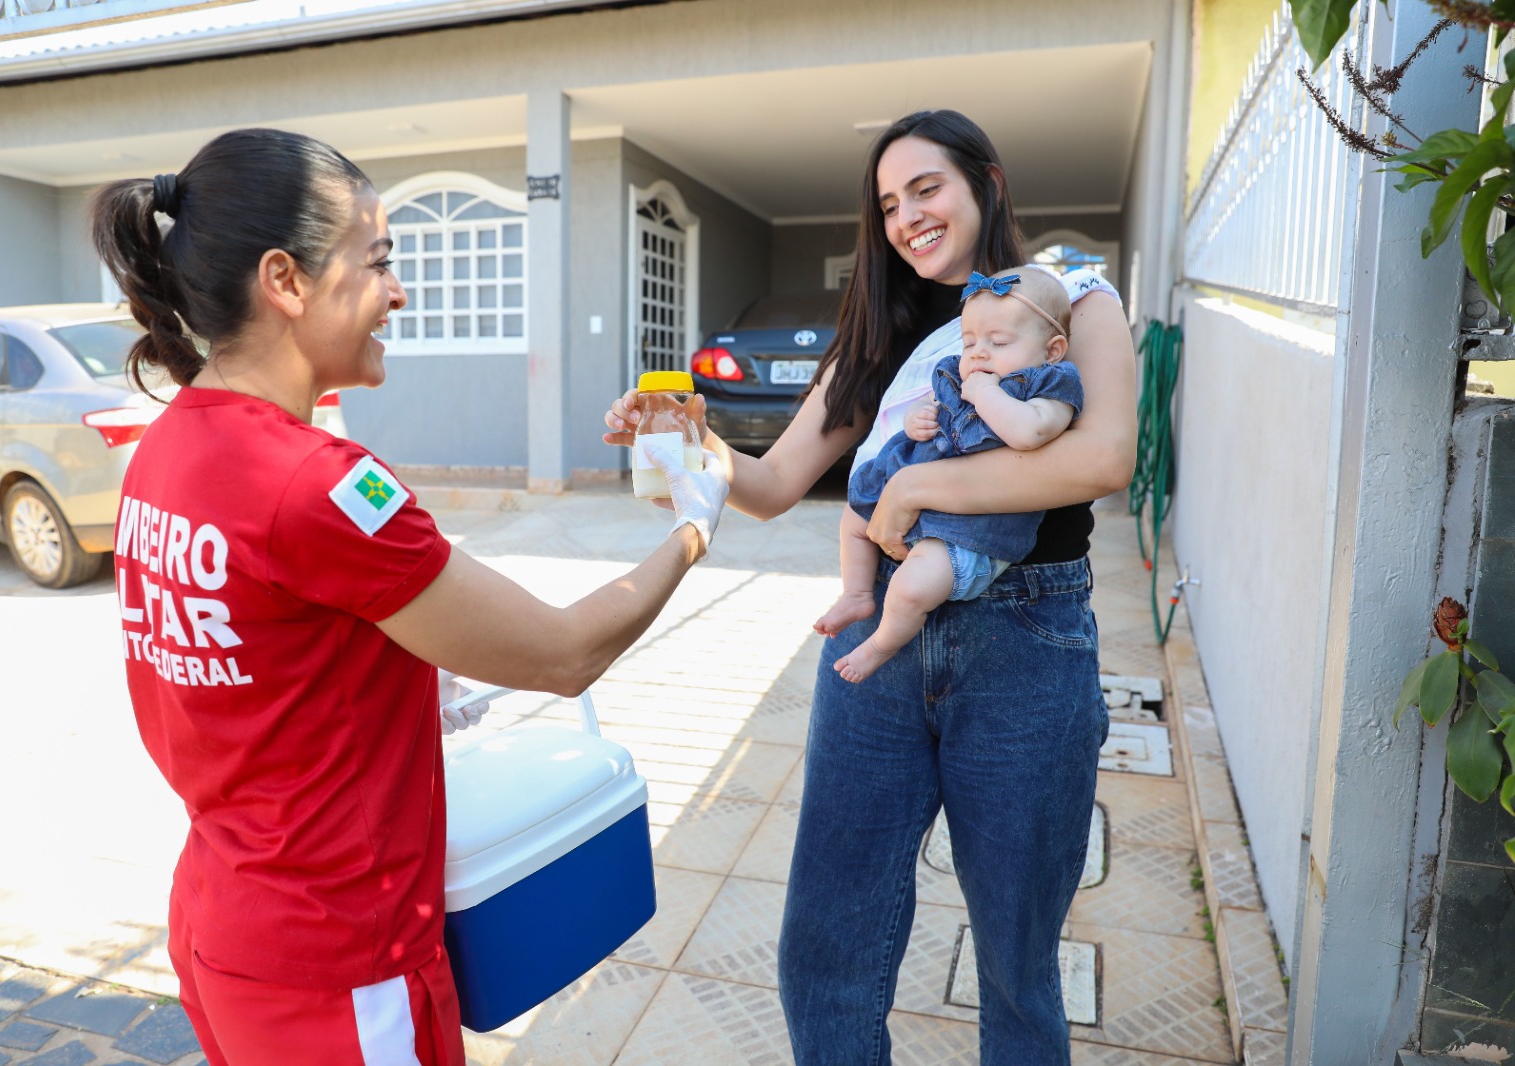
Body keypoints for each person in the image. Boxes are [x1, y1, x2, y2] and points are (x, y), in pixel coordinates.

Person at [93, 127, 727, 1066]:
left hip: (225, 928)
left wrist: (395, 680)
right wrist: (693, 526)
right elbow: (563, 654)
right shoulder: (321, 484)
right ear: (287, 280)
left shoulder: (167, 450)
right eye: (378, 260)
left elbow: (258, 658)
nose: (399, 291)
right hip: (340, 959)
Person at [604, 109, 1136, 1064]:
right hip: (876, 648)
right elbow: (770, 486)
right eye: (888, 204)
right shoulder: (876, 332)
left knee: (1018, 961)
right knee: (828, 948)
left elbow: (1099, 460)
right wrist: (686, 433)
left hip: (1027, 641)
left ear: (989, 183)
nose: (906, 218)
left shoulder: (1073, 302)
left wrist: (917, 485)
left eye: (926, 189)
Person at [818, 266, 1081, 683]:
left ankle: (880, 644)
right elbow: (935, 416)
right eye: (969, 341)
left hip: (967, 531)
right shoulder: (955, 373)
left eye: (998, 342)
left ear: (1052, 350)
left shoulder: (1051, 385)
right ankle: (856, 593)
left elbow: (1030, 432)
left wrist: (986, 393)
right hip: (915, 493)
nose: (977, 352)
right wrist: (917, 422)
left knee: (912, 586)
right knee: (853, 518)